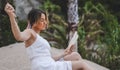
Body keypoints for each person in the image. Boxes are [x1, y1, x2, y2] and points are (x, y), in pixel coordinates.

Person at [4, 3, 94, 70]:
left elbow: (48, 58)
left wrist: (64, 53)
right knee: (82, 65)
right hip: (44, 67)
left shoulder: (39, 37)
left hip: (47, 63)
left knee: (75, 55)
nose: (45, 23)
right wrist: (12, 16)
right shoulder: (30, 32)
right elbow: (18, 36)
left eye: (45, 20)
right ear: (34, 21)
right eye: (42, 20)